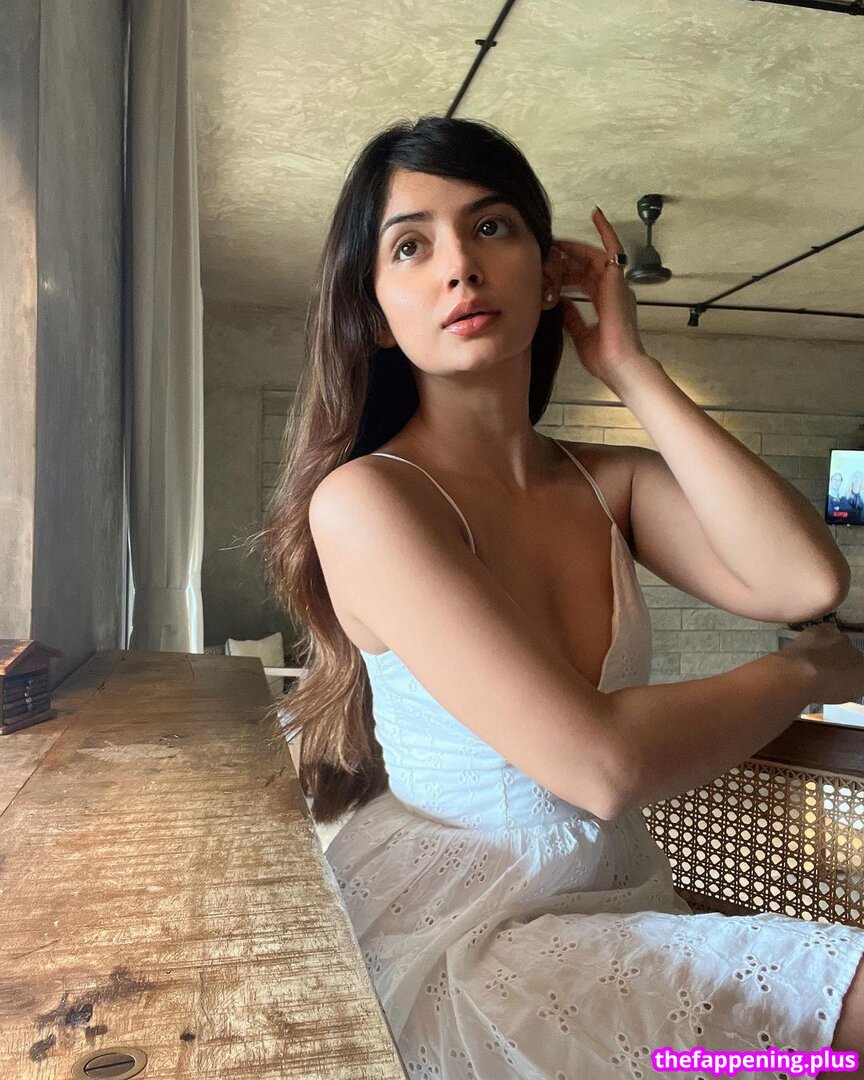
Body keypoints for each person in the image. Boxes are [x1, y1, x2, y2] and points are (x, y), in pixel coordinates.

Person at [261, 116, 864, 1077]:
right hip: (470, 943)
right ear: (373, 313)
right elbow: (601, 766)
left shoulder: (606, 481)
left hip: (621, 911)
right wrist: (804, 671)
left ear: (549, 276)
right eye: (411, 246)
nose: (460, 267)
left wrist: (630, 367)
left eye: (491, 227)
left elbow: (805, 578)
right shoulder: (368, 500)